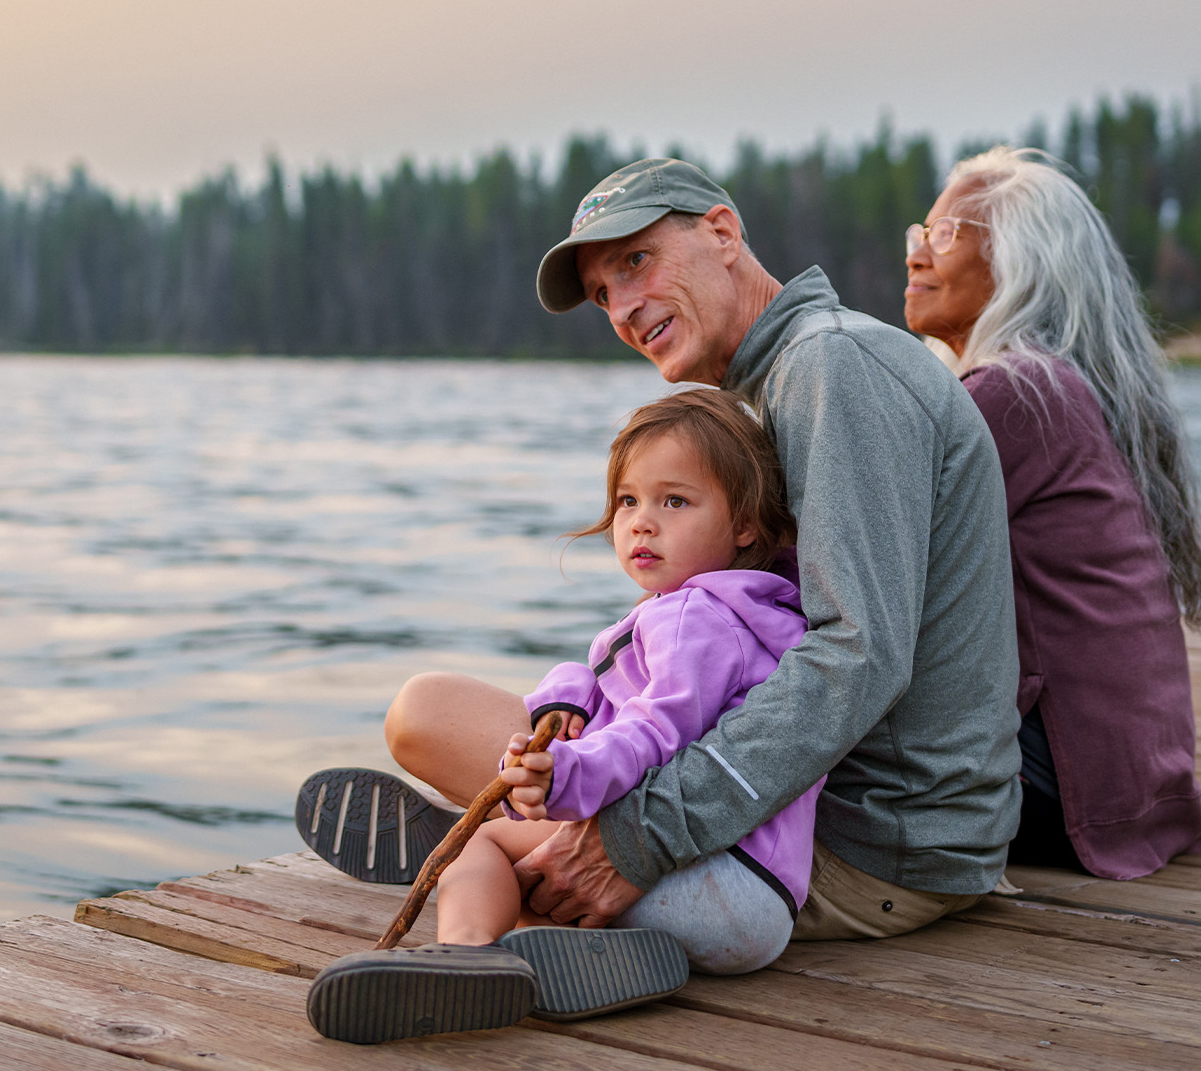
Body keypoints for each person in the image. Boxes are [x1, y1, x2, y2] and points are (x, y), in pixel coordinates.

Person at [302, 158, 1021, 951]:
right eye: (605, 292)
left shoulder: (834, 368)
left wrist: (635, 840)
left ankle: (494, 862)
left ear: (722, 232)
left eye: (636, 262)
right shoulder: (771, 385)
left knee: (488, 788)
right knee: (424, 713)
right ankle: (497, 850)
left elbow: (858, 655)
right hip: (791, 787)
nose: (625, 307)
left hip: (868, 842)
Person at [303, 390, 819, 1045]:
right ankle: (595, 956)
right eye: (628, 500)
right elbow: (618, 685)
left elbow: (657, 734)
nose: (641, 523)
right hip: (759, 904)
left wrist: (566, 778)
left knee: (481, 843)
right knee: (508, 846)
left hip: (707, 874)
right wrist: (563, 693)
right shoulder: (750, 617)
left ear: (746, 524)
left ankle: (461, 957)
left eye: (675, 501)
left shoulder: (693, 616)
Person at [905, 147, 1201, 878]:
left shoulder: (1013, 392)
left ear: (1022, 261)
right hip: (1137, 781)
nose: (919, 254)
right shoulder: (1058, 384)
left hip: (1075, 790)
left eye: (947, 234)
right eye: (918, 234)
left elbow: (856, 558)